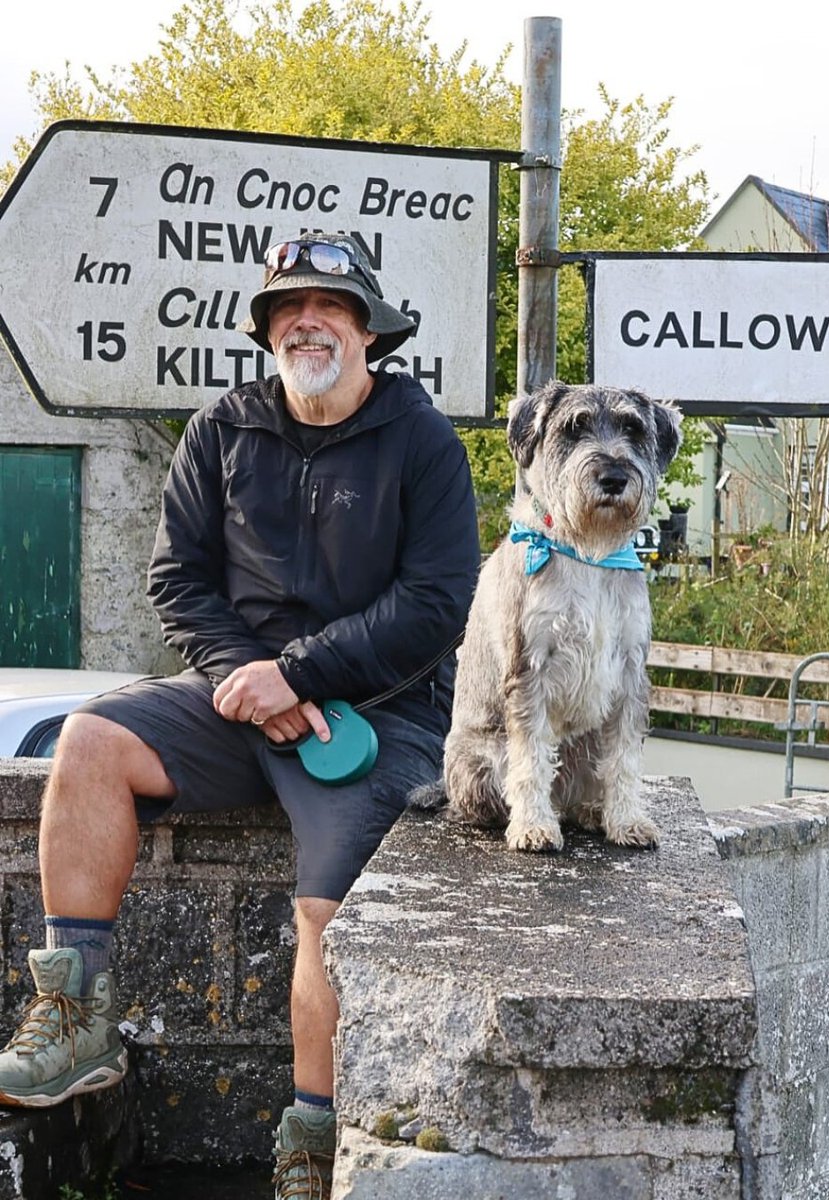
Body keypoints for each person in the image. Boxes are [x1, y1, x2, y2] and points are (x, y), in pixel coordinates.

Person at [0, 233, 480, 1198]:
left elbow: (436, 603)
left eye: (330, 305)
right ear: (267, 332)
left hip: (380, 715)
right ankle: (78, 1020)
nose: (307, 321)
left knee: (324, 912)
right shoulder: (220, 429)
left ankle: (312, 1141)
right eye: (287, 308)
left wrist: (299, 676)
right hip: (236, 703)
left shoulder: (423, 441)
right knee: (89, 740)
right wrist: (247, 680)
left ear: (369, 331)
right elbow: (177, 581)